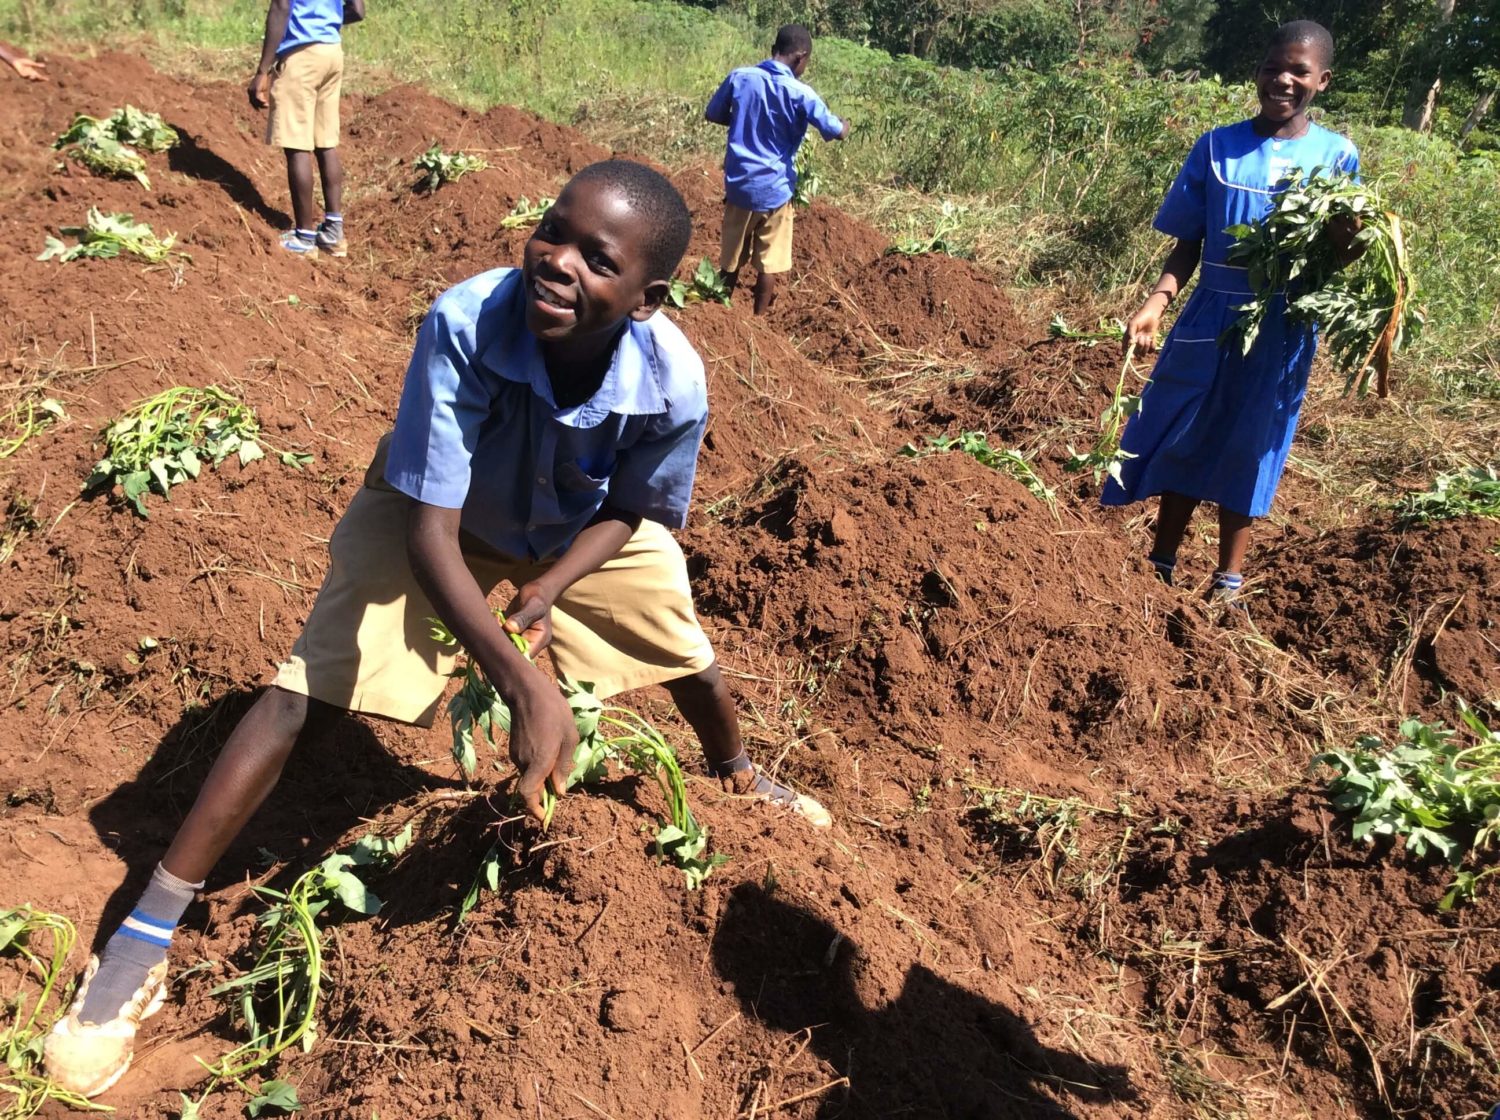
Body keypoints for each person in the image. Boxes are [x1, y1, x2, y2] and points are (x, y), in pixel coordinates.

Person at [43, 159, 831, 1099]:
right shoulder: (466, 322)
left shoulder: (674, 378)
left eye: (596, 257)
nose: (558, 262)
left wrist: (550, 588)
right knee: (309, 688)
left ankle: (740, 773)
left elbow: (633, 508)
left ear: (646, 297)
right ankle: (148, 926)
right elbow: (430, 534)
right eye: (553, 230)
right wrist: (523, 679)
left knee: (691, 658)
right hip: (433, 514)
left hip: (582, 532)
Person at [1102, 20, 1359, 603]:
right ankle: (1161, 561)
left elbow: (1340, 257)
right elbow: (1188, 242)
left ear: (1323, 80)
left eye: (1298, 70)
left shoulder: (1338, 157)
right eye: (1273, 66)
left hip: (1284, 326)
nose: (1283, 80)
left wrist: (1351, 238)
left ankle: (1228, 579)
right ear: (1258, 71)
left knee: (1252, 440)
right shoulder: (1216, 146)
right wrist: (1155, 303)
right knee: (1186, 429)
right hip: (1209, 316)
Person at [705, 23, 848, 315]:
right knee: (769, 262)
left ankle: (718, 310)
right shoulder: (801, 92)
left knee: (730, 259)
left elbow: (713, 113)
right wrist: (845, 125)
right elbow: (834, 131)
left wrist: (743, 123)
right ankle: (758, 322)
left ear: (773, 51)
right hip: (776, 189)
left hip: (739, 186)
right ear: (801, 57)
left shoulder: (740, 77)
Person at [246, 0, 357, 257]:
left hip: (301, 57)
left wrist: (262, 71)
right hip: (332, 52)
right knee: (325, 143)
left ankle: (304, 238)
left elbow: (281, 7)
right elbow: (357, 10)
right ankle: (333, 232)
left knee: (297, 145)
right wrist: (324, 23)